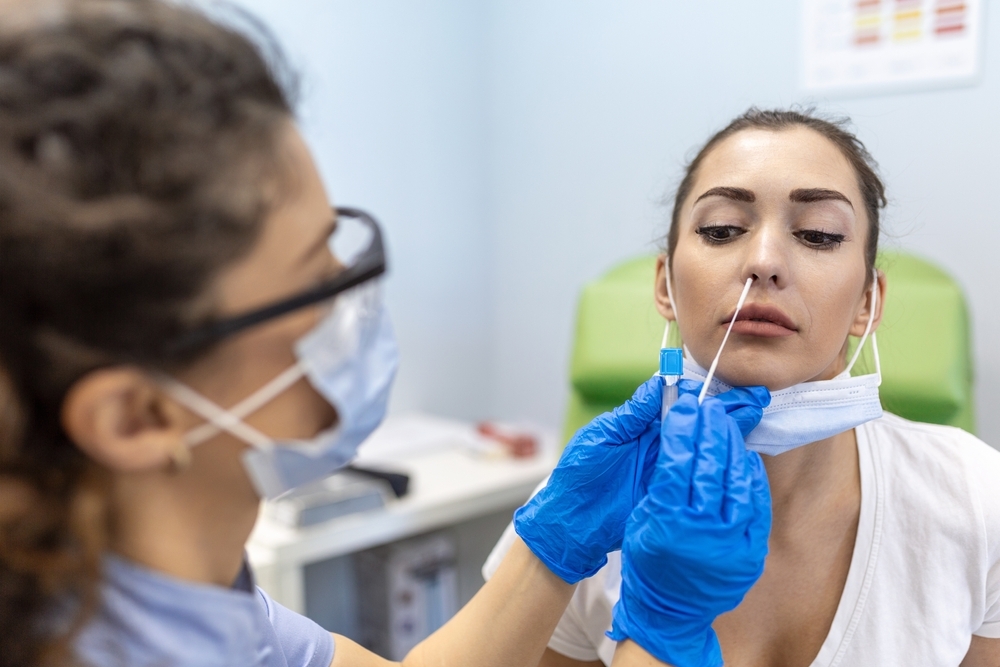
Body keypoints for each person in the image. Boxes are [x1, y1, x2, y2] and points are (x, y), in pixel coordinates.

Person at [0, 2, 772, 666]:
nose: (356, 306)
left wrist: (552, 541)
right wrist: (663, 631)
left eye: (343, 245)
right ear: (138, 416)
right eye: (316, 284)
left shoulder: (186, 600)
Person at [486, 108, 1000, 666]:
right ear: (665, 286)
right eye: (722, 230)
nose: (763, 262)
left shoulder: (977, 499)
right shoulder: (577, 518)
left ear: (868, 302)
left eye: (818, 234)